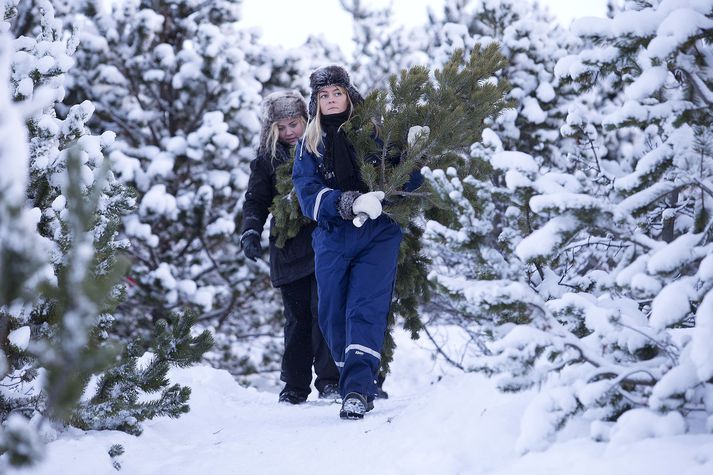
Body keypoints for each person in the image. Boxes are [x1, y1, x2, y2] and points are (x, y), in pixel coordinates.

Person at [292, 66, 421, 419]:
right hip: (333, 236)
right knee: (332, 314)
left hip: (378, 235)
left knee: (365, 309)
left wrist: (416, 152)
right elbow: (307, 195)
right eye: (324, 95)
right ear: (316, 102)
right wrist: (347, 203)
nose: (331, 100)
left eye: (337, 93)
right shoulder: (310, 143)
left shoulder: (375, 131)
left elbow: (406, 181)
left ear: (349, 95)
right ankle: (352, 371)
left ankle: (357, 390)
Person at [240, 90, 340, 404]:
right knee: (297, 320)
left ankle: (330, 381)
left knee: (323, 313)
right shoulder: (267, 161)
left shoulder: (320, 150)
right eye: (280, 128)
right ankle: (295, 385)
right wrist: (251, 231)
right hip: (287, 250)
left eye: (293, 124)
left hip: (323, 246)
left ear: (305, 120)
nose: (288, 133)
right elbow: (255, 201)